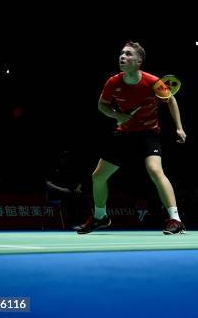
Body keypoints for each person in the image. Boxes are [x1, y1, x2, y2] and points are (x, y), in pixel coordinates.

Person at [76, 41, 187, 234]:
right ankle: (101, 217)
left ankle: (175, 219)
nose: (122, 57)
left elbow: (171, 100)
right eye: (121, 53)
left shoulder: (152, 81)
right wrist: (116, 115)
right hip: (124, 133)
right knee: (98, 176)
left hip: (148, 133)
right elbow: (102, 105)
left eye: (128, 54)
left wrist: (179, 127)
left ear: (138, 61)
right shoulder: (113, 82)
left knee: (154, 170)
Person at [45, 147, 86, 227]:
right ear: (60, 158)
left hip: (70, 191)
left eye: (67, 157)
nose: (65, 159)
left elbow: (80, 181)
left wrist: (78, 188)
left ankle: (83, 222)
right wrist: (62, 190)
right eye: (63, 157)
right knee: (69, 198)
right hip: (56, 192)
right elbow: (48, 184)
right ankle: (73, 223)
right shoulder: (53, 168)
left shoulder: (71, 168)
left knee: (81, 197)